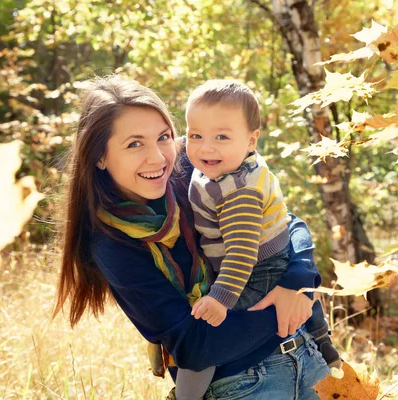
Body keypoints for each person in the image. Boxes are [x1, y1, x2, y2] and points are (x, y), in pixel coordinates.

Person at [53, 75, 329, 400]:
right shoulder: (113, 245)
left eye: (164, 137)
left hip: (307, 357)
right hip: (244, 385)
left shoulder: (194, 166)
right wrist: (284, 308)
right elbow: (195, 345)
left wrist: (295, 284)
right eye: (134, 143)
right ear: (99, 156)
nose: (157, 158)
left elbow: (286, 224)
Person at [183, 79, 340, 365]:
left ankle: (189, 389)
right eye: (195, 136)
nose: (206, 148)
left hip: (257, 268)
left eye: (221, 137)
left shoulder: (238, 193)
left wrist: (220, 299)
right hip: (274, 250)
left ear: (251, 140)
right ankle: (323, 341)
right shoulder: (233, 163)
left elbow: (242, 255)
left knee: (215, 324)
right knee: (301, 299)